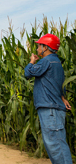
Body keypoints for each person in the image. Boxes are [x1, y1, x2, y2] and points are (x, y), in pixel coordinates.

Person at [24, 34, 73, 164]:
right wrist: (62, 97)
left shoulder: (47, 61)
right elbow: (58, 83)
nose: (37, 48)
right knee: (55, 144)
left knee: (56, 145)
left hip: (50, 109)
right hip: (53, 108)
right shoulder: (56, 62)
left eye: (39, 45)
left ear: (46, 47)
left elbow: (28, 73)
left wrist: (31, 62)